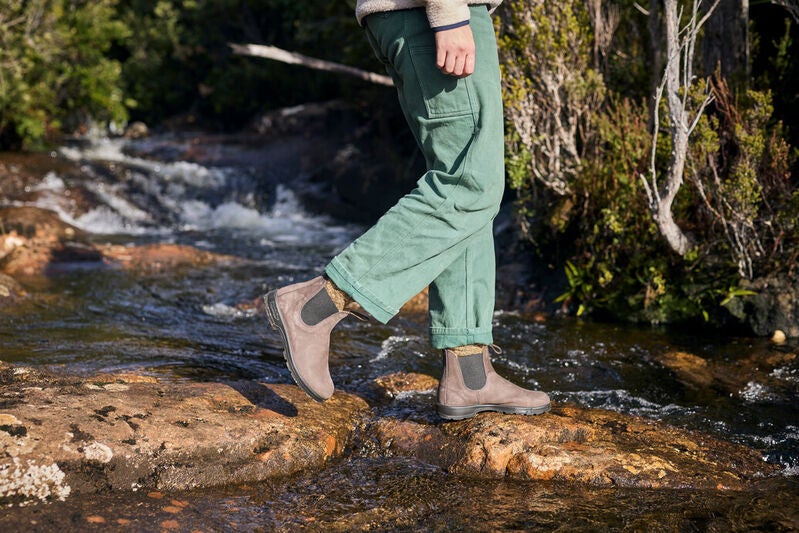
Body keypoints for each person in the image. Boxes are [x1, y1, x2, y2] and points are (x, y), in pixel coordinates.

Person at [264, 0, 550, 420]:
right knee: (468, 184)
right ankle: (317, 304)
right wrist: (449, 13)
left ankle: (469, 374)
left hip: (415, 14)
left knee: (467, 190)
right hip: (436, 12)